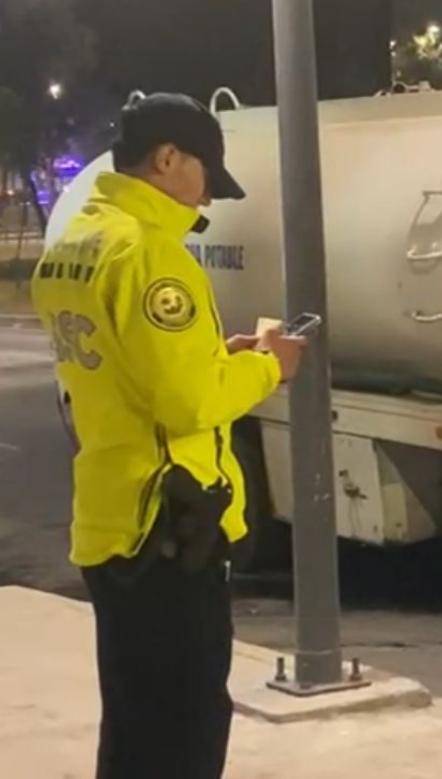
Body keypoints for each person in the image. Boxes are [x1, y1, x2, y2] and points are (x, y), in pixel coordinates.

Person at [31, 92, 306, 779]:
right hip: (169, 527)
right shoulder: (151, 255)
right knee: (186, 725)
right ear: (166, 158)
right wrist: (269, 365)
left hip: (110, 516)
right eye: (203, 171)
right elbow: (188, 404)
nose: (206, 189)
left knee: (133, 719)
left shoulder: (74, 244)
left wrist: (222, 355)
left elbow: (137, 371)